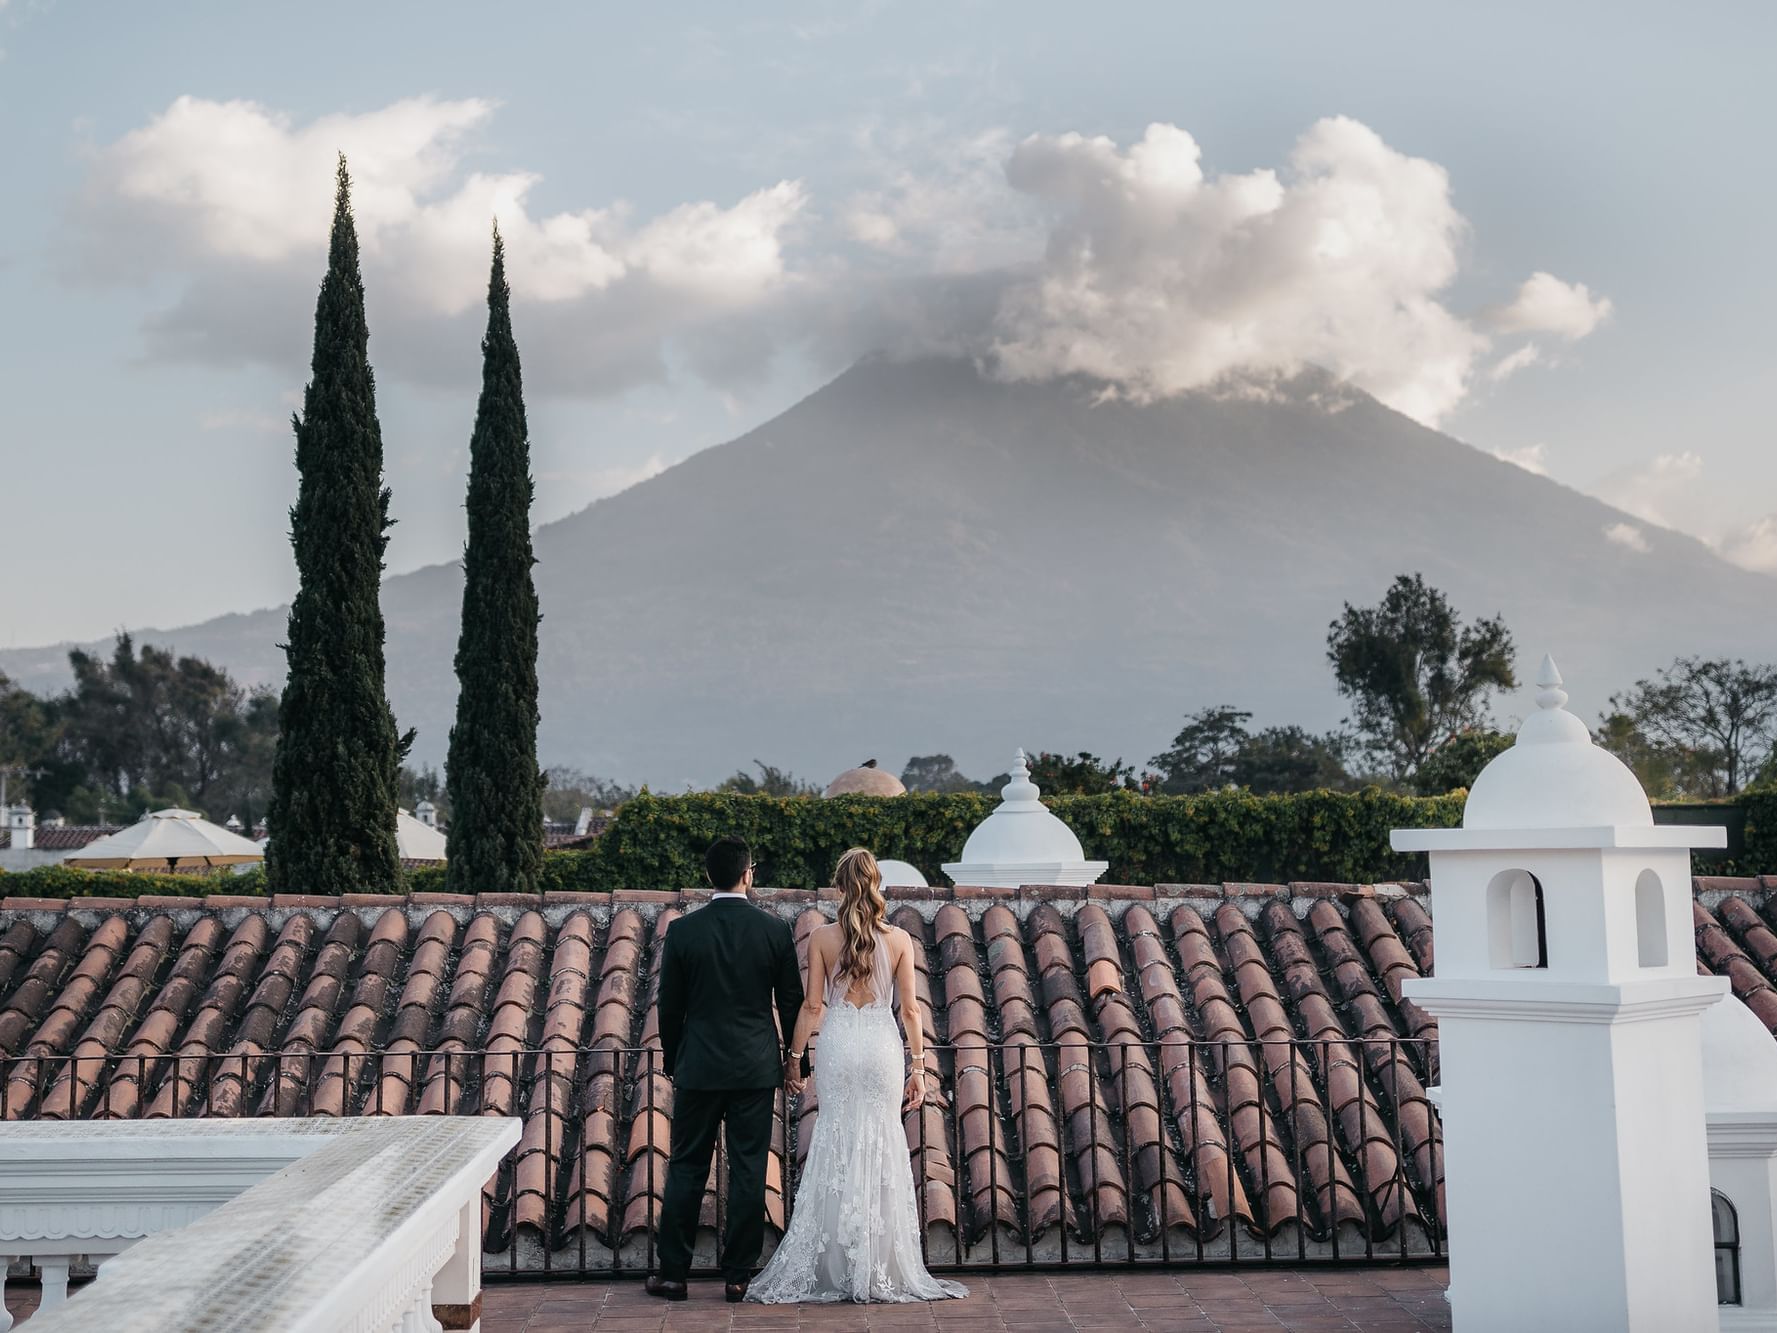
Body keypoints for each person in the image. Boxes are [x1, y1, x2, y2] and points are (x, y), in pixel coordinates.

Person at [748, 847, 969, 1304]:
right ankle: (880, 1263)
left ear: (840, 886)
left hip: (841, 1045)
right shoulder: (901, 940)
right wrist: (919, 1068)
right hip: (883, 1048)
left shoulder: (822, 938)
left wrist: (793, 1057)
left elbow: (813, 1007)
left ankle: (839, 1264)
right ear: (876, 885)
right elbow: (910, 1010)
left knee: (836, 1139)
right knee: (882, 1142)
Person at [647, 836, 804, 1304]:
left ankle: (674, 1274)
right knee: (749, 1170)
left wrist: (676, 1059)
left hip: (698, 1065)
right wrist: (796, 1060)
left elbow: (669, 1006)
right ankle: (738, 1276)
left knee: (687, 1166)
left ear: (708, 875)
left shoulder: (683, 931)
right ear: (748, 874)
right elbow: (791, 1001)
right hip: (755, 1068)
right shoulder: (773, 930)